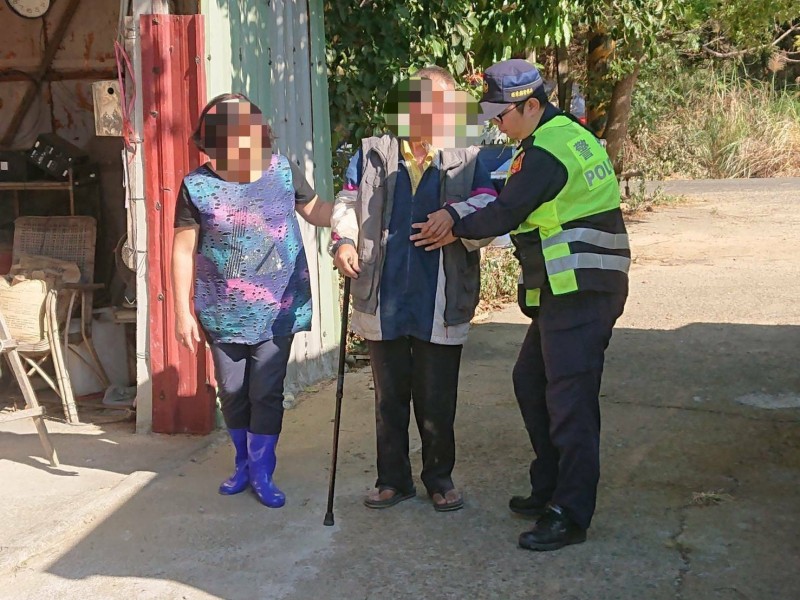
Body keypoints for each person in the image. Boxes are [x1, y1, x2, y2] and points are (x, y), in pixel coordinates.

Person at [411, 59, 629, 549]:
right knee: (531, 381)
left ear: (531, 105)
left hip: (582, 289)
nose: (495, 123)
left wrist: (451, 222)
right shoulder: (543, 140)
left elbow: (505, 212)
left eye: (501, 115)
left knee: (570, 403)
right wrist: (455, 211)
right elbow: (504, 198)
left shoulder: (550, 150)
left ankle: (569, 514)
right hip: (566, 290)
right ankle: (549, 486)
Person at [331, 66, 496, 512]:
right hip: (383, 294)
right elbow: (348, 201)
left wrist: (457, 218)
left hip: (440, 296)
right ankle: (392, 480)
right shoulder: (373, 154)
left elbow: (491, 207)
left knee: (437, 397)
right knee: (389, 397)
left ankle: (439, 478)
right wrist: (344, 241)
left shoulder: (468, 157)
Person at [172, 93, 332, 508]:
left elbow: (316, 211)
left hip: (279, 307)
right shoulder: (197, 187)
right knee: (232, 390)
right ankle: (242, 462)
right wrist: (180, 312)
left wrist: (363, 209)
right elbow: (181, 250)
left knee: (266, 391)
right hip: (220, 310)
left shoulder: (282, 172)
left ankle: (262, 469)